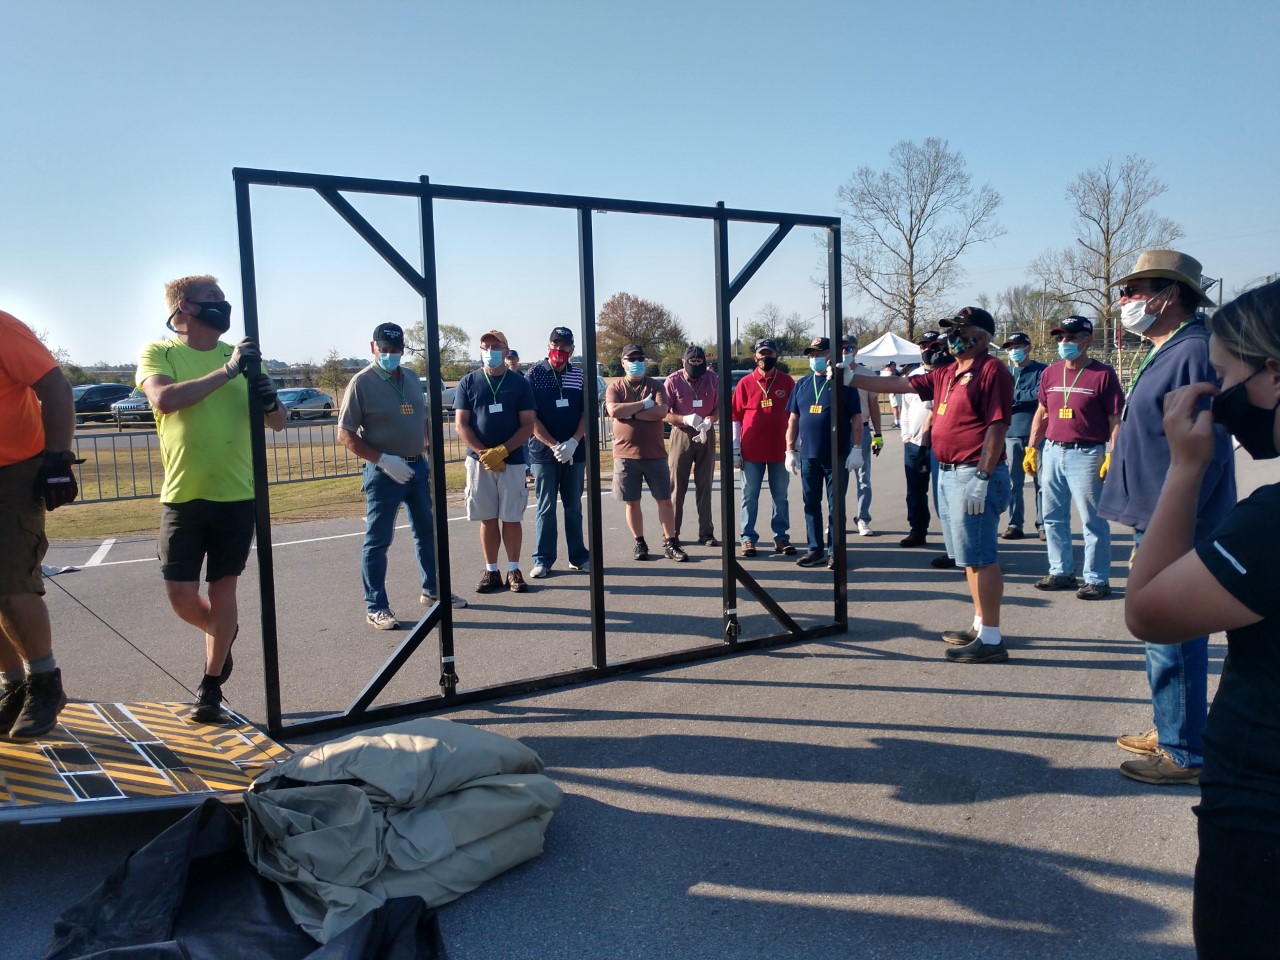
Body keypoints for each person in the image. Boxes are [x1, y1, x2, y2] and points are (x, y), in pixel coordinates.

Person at [1123, 279, 1280, 958]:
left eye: (1221, 377)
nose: (1213, 394)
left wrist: (1185, 469)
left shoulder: (1270, 525)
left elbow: (1151, 609)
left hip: (1262, 823)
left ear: (1274, 373)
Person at [1101, 250, 1236, 785]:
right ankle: (1174, 726)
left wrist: (1170, 529)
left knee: (1172, 634)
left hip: (1173, 521)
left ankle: (1183, 751)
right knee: (1168, 637)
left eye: (1135, 291)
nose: (1125, 302)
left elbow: (1208, 446)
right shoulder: (1169, 350)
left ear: (1170, 294)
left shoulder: (1193, 351)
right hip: (1159, 516)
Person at [137, 275, 286, 723]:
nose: (223, 306)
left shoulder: (241, 358)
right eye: (213, 300)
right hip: (184, 494)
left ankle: (211, 683)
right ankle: (223, 634)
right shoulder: (160, 352)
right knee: (181, 594)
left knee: (224, 587)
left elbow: (278, 422)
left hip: (236, 494)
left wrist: (270, 399)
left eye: (224, 299)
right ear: (185, 306)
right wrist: (228, 372)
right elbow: (163, 399)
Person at [848, 307, 1013, 663]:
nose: (953, 337)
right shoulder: (947, 372)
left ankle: (993, 638)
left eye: (961, 330)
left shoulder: (991, 370)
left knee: (983, 558)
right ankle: (981, 625)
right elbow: (897, 384)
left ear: (982, 337)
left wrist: (983, 476)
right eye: (951, 331)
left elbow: (997, 426)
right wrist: (851, 377)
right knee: (969, 558)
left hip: (974, 473)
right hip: (951, 471)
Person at [338, 322, 465, 632]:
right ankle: (376, 606)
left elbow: (421, 418)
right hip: (384, 472)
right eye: (385, 350)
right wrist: (382, 459)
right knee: (378, 540)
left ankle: (433, 589)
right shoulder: (362, 383)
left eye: (396, 350)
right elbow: (345, 434)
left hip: (416, 467)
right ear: (373, 348)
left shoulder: (409, 377)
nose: (390, 355)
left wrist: (427, 452)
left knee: (428, 532)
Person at [0, 310, 76, 738]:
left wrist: (57, 460)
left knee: (12, 587)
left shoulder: (3, 327)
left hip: (12, 473)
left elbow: (55, 386)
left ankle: (45, 683)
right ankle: (14, 687)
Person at [1023, 317, 1124, 600]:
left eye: (1070, 338)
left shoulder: (1102, 374)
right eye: (1060, 339)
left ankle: (1097, 578)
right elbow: (1042, 412)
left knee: (1092, 520)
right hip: (1053, 451)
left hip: (1087, 453)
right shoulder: (1051, 374)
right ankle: (1061, 571)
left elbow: (1115, 418)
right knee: (1052, 516)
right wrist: (1033, 446)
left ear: (1086, 340)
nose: (1064, 344)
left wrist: (1113, 453)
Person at [454, 330, 537, 593]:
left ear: (506, 349)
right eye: (485, 346)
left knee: (511, 517)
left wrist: (502, 450)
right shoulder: (468, 382)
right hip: (479, 463)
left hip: (511, 461)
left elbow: (527, 424)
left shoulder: (519, 383)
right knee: (487, 518)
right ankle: (491, 571)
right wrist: (483, 453)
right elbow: (461, 424)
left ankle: (514, 569)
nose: (490, 350)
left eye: (496, 346)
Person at [786, 337, 863, 569]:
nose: (815, 359)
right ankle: (814, 549)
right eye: (811, 355)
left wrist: (857, 449)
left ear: (830, 355)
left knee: (835, 506)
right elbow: (793, 419)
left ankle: (835, 551)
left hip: (837, 455)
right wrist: (790, 449)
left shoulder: (843, 383)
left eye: (819, 354)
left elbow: (856, 419)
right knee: (810, 503)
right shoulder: (802, 384)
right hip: (809, 455)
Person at [604, 344, 686, 562]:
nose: (636, 363)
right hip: (625, 455)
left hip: (655, 454)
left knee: (665, 500)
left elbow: (661, 411)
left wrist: (630, 414)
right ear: (623, 363)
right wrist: (643, 405)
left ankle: (671, 542)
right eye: (631, 359)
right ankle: (639, 542)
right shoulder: (615, 388)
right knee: (632, 502)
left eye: (640, 359)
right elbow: (613, 410)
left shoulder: (656, 386)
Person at [526, 326, 589, 578]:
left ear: (572, 349)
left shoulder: (579, 375)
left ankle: (579, 556)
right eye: (555, 344)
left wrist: (573, 441)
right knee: (545, 506)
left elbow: (585, 413)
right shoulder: (533, 374)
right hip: (544, 453)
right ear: (548, 345)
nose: (559, 350)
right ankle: (543, 559)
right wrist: (553, 444)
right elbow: (531, 417)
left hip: (575, 450)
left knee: (573, 506)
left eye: (564, 346)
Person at [732, 338, 797, 557]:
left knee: (780, 496)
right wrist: (735, 448)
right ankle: (748, 538)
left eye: (769, 354)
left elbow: (795, 416)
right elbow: (735, 418)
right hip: (751, 451)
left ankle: (781, 537)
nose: (765, 358)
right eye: (762, 354)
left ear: (776, 356)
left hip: (780, 450)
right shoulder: (745, 383)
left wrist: (794, 448)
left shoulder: (787, 382)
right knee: (749, 495)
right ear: (755, 357)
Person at [663, 345, 719, 547]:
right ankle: (672, 533)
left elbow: (718, 407)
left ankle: (706, 532)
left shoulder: (713, 379)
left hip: (706, 432)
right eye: (692, 363)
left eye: (699, 362)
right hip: (682, 433)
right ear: (683, 362)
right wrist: (684, 419)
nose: (696, 366)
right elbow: (663, 412)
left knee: (705, 484)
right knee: (677, 486)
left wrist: (710, 421)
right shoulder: (673, 381)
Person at [1000, 331, 1047, 541]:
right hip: (1011, 434)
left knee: (1041, 482)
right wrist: (1019, 396)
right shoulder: (1004, 372)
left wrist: (1014, 395)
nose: (1013, 351)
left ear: (1027, 347)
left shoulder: (1041, 371)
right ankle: (1015, 523)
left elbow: (1039, 395)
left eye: (1016, 347)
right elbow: (998, 397)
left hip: (1036, 435)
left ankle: (1043, 524)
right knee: (1013, 482)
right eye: (1010, 348)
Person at [898, 337, 941, 548]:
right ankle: (917, 530)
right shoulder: (912, 376)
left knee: (942, 493)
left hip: (940, 444)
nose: (927, 350)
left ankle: (953, 540)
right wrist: (905, 436)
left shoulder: (945, 374)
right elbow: (905, 409)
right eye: (924, 346)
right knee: (915, 491)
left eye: (933, 346)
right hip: (914, 443)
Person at [840, 337, 882, 536]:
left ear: (856, 351)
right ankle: (837, 519)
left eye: (849, 348)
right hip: (839, 430)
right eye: (841, 348)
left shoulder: (867, 374)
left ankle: (863, 518)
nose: (845, 351)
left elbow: (874, 405)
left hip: (863, 429)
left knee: (863, 478)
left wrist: (878, 434)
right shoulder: (833, 373)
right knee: (838, 478)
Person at [505, 350, 534, 485]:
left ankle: (527, 471)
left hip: (521, 417)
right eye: (509, 358)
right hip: (509, 418)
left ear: (517, 359)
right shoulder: (503, 377)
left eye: (513, 358)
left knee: (524, 446)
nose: (511, 360)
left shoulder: (523, 378)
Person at [881, 362, 901, 427]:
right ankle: (897, 421)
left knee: (895, 407)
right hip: (894, 392)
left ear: (894, 366)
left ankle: (897, 422)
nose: (888, 367)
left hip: (894, 392)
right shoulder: (894, 372)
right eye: (888, 366)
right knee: (895, 407)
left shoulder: (895, 373)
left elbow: (894, 383)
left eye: (890, 366)